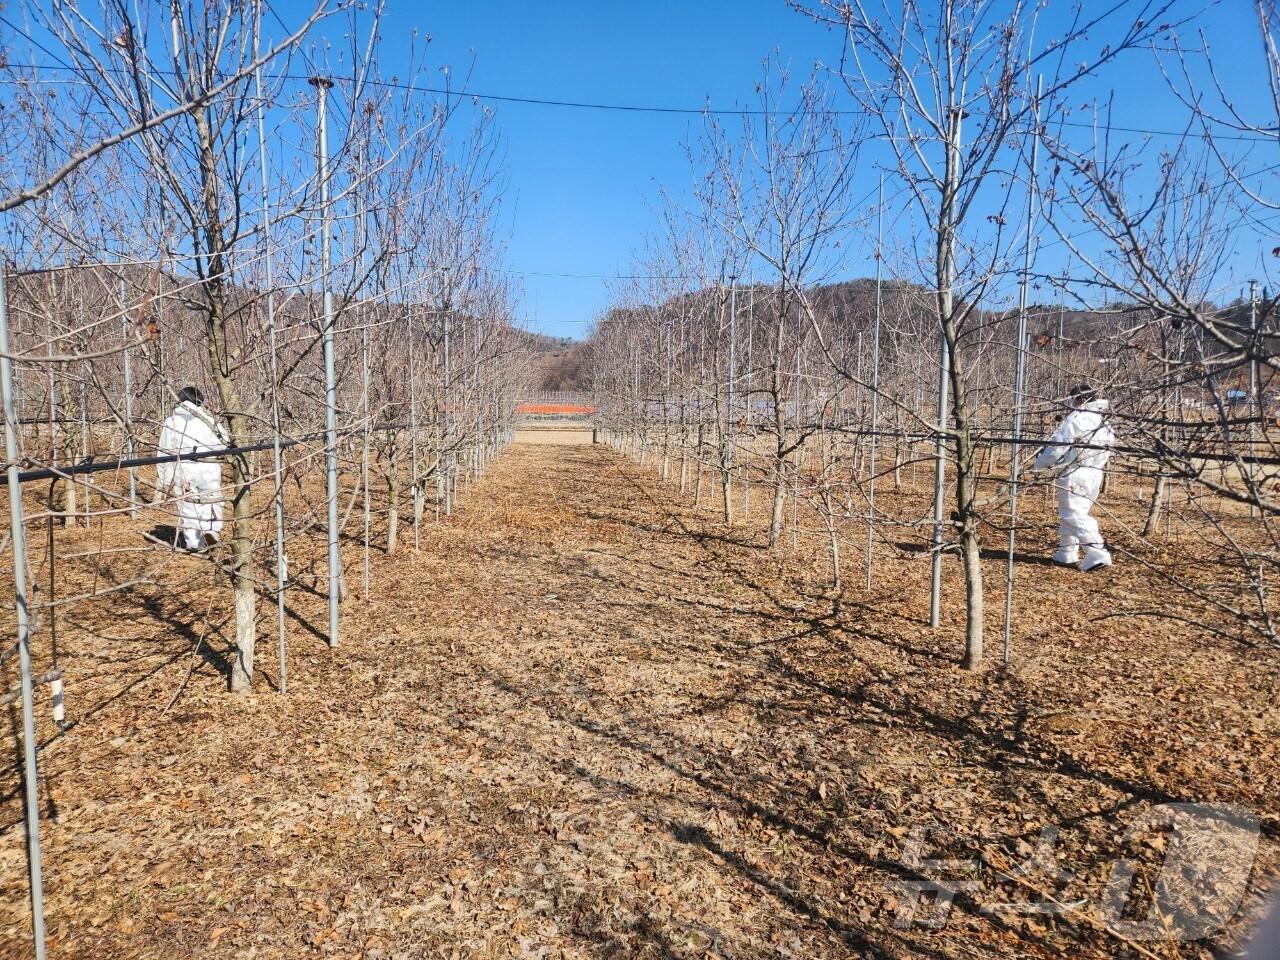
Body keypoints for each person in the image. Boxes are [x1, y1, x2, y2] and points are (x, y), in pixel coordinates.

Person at [1032, 384, 1114, 572]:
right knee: (1075, 512)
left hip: (1075, 472)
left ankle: (1097, 554)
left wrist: (1039, 464)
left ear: (1079, 399)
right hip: (1095, 473)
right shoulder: (1103, 422)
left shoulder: (1076, 419)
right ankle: (1066, 553)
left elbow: (1057, 448)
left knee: (1073, 514)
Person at [156, 386, 226, 552]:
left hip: (183, 470)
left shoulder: (171, 421)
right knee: (212, 500)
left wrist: (165, 479)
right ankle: (212, 529)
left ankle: (196, 545)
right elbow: (224, 441)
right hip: (208, 467)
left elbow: (163, 451)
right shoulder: (208, 419)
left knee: (188, 507)